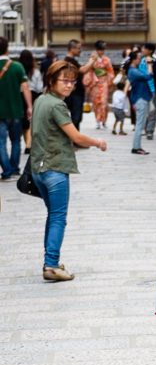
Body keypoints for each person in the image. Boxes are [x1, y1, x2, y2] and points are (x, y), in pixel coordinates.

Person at [32, 60, 107, 281]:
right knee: (58, 217)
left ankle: (51, 261)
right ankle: (51, 265)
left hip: (38, 169)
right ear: (51, 80)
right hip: (55, 168)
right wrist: (98, 142)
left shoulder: (41, 100)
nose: (69, 85)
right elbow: (76, 137)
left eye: (73, 81)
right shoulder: (57, 105)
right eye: (64, 80)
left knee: (53, 215)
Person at [0, 36, 30, 179]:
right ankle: (14, 169)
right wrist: (29, 106)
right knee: (16, 141)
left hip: (0, 112)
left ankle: (6, 172)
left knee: (1, 143)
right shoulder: (17, 67)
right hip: (16, 109)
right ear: (7, 49)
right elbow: (25, 88)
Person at [63, 40, 95, 131]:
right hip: (75, 93)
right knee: (76, 118)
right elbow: (83, 70)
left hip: (75, 92)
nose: (80, 50)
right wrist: (93, 60)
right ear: (72, 49)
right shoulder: (69, 61)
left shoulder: (72, 61)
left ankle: (74, 137)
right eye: (79, 48)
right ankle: (74, 138)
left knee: (75, 117)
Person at [125, 51, 151, 154]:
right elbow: (148, 76)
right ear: (134, 59)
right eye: (139, 58)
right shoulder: (133, 71)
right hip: (140, 99)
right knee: (140, 124)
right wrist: (149, 64)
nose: (141, 60)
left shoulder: (134, 70)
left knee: (140, 124)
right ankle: (136, 147)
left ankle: (137, 146)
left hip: (140, 98)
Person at [85, 41, 114, 130]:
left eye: (103, 50)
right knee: (96, 102)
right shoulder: (92, 59)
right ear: (97, 50)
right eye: (100, 50)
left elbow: (110, 72)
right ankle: (97, 121)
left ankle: (104, 120)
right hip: (95, 82)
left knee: (104, 101)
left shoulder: (107, 60)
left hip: (104, 82)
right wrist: (88, 83)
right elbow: (89, 71)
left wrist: (110, 83)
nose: (102, 52)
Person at [20, 49, 43, 155]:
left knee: (24, 122)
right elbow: (39, 87)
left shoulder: (19, 71)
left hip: (21, 96)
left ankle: (27, 144)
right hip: (33, 96)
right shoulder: (36, 71)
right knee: (31, 121)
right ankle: (28, 145)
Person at [142, 42, 156, 139]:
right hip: (141, 89)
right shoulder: (139, 61)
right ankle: (144, 128)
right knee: (143, 110)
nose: (143, 50)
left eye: (145, 48)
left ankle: (150, 131)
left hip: (152, 89)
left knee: (152, 111)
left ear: (150, 50)